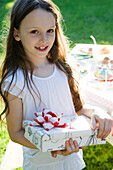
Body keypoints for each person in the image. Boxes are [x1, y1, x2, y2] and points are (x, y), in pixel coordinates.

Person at [0, 0, 112, 169]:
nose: (44, 39)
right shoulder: (15, 81)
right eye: (34, 32)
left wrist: (98, 111)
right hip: (39, 165)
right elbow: (15, 133)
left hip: (73, 162)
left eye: (50, 31)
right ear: (16, 34)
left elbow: (78, 108)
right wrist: (53, 145)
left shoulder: (64, 68)